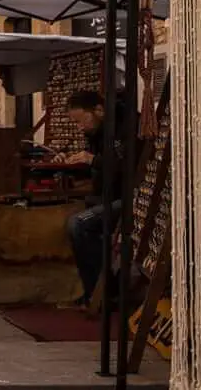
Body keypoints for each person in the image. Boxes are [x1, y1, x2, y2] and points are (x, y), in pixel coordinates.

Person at [58, 90, 126, 307]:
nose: (80, 127)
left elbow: (124, 165)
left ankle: (102, 292)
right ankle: (97, 290)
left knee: (78, 224)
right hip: (105, 198)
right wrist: (68, 161)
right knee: (81, 221)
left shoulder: (124, 127)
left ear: (99, 110)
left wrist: (93, 160)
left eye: (81, 120)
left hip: (130, 198)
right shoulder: (96, 133)